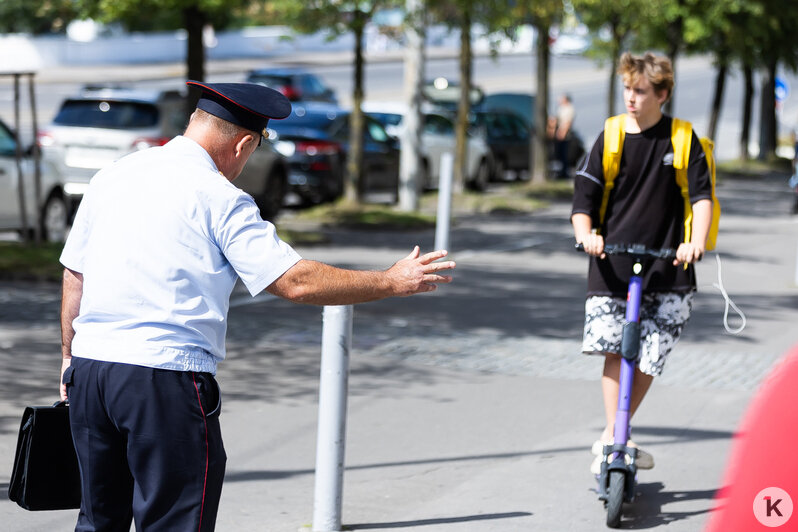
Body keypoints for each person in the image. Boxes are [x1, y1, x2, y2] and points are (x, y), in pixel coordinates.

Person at [58, 81, 456, 532]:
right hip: (162, 377)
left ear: (192, 124)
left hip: (92, 372)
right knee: (174, 522)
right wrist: (390, 281)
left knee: (97, 521)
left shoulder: (115, 175)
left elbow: (76, 274)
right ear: (244, 143)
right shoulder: (218, 197)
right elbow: (295, 282)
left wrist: (70, 359)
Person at [570, 52, 713, 475]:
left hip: (668, 263)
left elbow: (702, 197)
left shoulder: (682, 140)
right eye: (627, 90)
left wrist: (695, 243)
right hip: (612, 262)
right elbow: (584, 199)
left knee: (649, 355)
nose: (630, 98)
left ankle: (615, 431)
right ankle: (618, 437)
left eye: (640, 91)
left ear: (663, 94)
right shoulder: (611, 137)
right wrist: (587, 235)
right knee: (616, 350)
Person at [554, 93, 575, 178]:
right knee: (560, 154)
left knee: (564, 155)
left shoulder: (569, 109)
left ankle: (564, 173)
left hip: (564, 135)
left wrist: (562, 134)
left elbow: (567, 123)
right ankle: (561, 172)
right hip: (560, 133)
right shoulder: (562, 108)